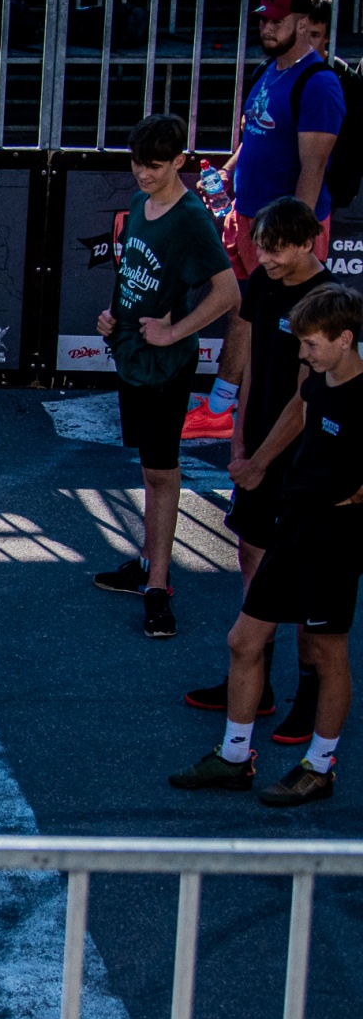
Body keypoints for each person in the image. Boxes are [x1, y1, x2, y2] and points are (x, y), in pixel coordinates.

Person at [168, 283, 363, 809]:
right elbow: (300, 415)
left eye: (312, 345)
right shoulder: (318, 380)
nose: (303, 354)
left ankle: (319, 767)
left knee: (327, 651)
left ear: (345, 339)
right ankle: (235, 757)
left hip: (335, 538)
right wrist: (257, 464)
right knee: (243, 640)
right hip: (293, 526)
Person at [80, 113, 240, 633]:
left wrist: (175, 333)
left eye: (154, 166)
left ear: (179, 162)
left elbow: (228, 293)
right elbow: (130, 273)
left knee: (162, 470)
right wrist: (112, 316)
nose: (143, 174)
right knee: (149, 467)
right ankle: (148, 563)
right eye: (137, 164)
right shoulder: (138, 204)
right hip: (132, 353)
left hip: (166, 363)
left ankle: (158, 584)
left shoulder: (191, 217)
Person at [183, 199, 333, 732]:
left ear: (307, 243)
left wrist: (260, 462)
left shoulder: (325, 301)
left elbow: (304, 399)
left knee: (306, 580)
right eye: (262, 248)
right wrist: (238, 443)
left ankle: (310, 699)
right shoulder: (264, 283)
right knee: (252, 554)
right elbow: (251, 367)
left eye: (276, 250)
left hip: (302, 458)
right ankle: (254, 681)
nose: (263, 259)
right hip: (257, 453)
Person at [203, 0, 349, 422]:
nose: (267, 27)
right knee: (242, 312)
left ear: (303, 24)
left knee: (291, 331)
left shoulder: (318, 83)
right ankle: (221, 408)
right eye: (263, 19)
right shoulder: (269, 70)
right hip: (247, 217)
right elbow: (255, 136)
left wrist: (293, 237)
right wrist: (228, 172)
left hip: (284, 232)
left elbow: (314, 167)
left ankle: (290, 422)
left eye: (277, 20)